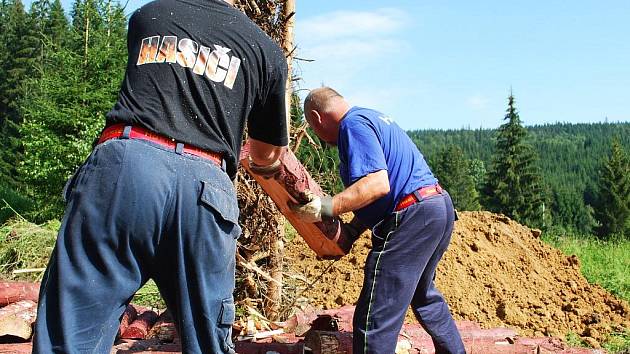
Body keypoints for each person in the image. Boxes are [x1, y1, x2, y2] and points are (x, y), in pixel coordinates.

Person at [33, 0, 288, 352]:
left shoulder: (148, 16)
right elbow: (268, 154)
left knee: (72, 334)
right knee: (208, 339)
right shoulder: (266, 50)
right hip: (206, 186)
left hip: (127, 165)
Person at [292, 87, 466, 354]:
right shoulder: (370, 118)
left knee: (375, 315)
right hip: (435, 207)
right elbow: (378, 194)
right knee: (424, 297)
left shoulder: (352, 125)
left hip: (413, 214)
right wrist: (350, 230)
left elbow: (376, 185)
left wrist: (326, 206)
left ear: (316, 118)